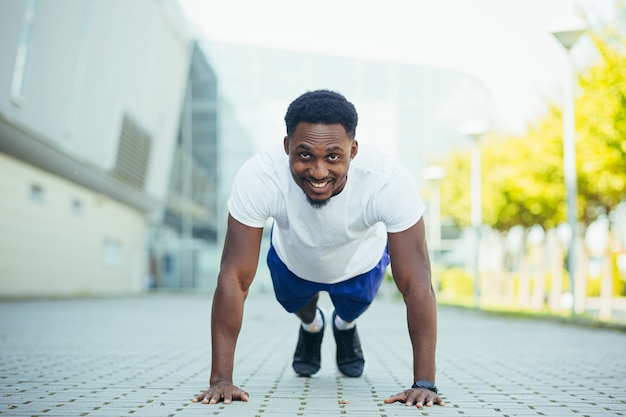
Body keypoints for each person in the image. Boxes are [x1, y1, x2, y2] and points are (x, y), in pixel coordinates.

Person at [192, 89, 445, 409]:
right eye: (305, 155)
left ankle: (344, 325)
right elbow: (234, 277)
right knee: (301, 307)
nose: (319, 171)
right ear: (287, 147)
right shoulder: (260, 175)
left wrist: (424, 383)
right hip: (293, 262)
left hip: (359, 265)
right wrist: (221, 381)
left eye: (333, 157)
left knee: (349, 310)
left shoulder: (387, 181)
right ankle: (312, 326)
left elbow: (416, 281)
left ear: (353, 150)